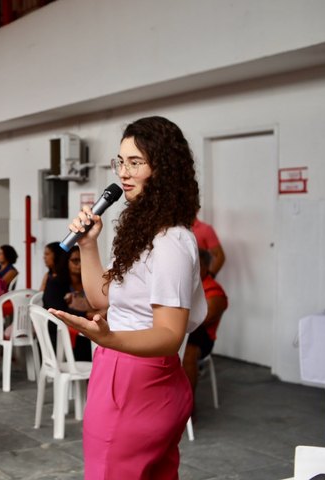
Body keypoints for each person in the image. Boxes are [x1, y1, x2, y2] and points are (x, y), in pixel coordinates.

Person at [51, 117, 206, 479]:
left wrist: (108, 338)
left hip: (139, 376)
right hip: (125, 368)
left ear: (164, 169)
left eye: (136, 162)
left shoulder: (171, 242)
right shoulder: (147, 233)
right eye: (120, 162)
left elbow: (169, 334)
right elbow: (103, 299)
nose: (124, 172)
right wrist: (89, 245)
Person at [182, 249, 228, 409]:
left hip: (201, 338)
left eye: (197, 265)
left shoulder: (214, 292)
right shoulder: (185, 284)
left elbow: (201, 320)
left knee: (188, 353)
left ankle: (189, 407)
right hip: (180, 332)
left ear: (205, 267)